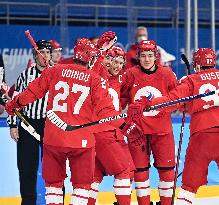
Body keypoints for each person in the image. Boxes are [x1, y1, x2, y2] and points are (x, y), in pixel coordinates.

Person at [128, 48, 219, 205]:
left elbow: (171, 101)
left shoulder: (191, 80)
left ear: (197, 65)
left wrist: (147, 104)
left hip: (202, 137)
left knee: (188, 187)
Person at [5, 36, 141, 205]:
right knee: (82, 186)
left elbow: (32, 92)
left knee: (53, 186)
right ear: (90, 58)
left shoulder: (54, 70)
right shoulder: (94, 79)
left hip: (54, 138)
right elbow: (105, 111)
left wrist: (14, 104)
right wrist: (125, 125)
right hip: (81, 141)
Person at [121, 40, 178, 205]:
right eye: (143, 56)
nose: (147, 59)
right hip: (137, 132)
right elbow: (121, 99)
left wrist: (165, 104)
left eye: (150, 56)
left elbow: (177, 101)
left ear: (156, 57)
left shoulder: (167, 75)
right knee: (139, 172)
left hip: (162, 132)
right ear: (138, 57)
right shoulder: (130, 74)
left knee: (167, 172)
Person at [6, 40, 52, 205]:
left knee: (55, 168)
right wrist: (12, 124)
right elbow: (14, 102)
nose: (45, 56)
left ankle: (57, 201)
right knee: (27, 169)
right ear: (35, 55)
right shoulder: (25, 75)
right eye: (41, 53)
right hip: (27, 123)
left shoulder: (56, 74)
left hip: (50, 126)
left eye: (47, 52)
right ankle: (28, 202)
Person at [89, 46, 135, 205]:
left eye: (121, 62)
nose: (116, 65)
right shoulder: (97, 77)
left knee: (95, 176)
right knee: (124, 170)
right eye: (113, 60)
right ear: (105, 60)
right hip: (103, 133)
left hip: (114, 132)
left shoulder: (119, 81)